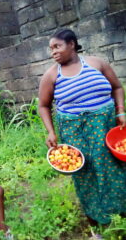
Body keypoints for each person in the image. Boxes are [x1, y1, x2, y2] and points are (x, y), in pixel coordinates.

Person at [38, 29, 126, 238]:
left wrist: (120, 111)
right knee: (85, 174)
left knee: (112, 167)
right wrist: (51, 132)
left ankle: (120, 212)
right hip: (74, 131)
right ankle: (95, 222)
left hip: (103, 126)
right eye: (51, 49)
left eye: (57, 46)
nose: (53, 52)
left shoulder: (97, 63)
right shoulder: (52, 75)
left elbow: (117, 87)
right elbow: (43, 105)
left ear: (71, 44)